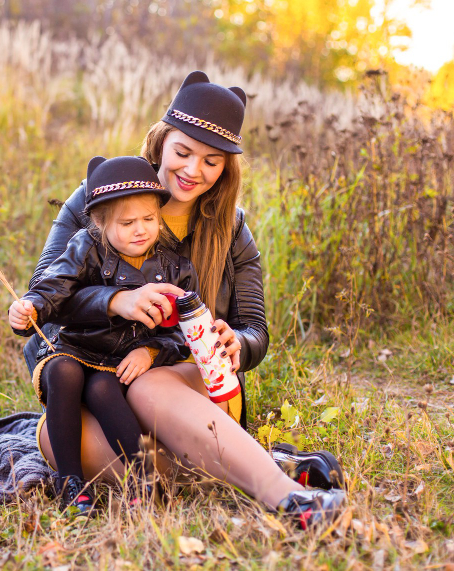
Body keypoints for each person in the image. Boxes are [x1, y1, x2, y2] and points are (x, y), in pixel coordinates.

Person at [22, 71, 346, 527]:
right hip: (102, 385)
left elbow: (256, 330)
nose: (194, 170)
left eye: (212, 161)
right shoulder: (101, 197)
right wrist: (116, 302)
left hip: (182, 378)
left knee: (148, 385)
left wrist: (238, 341)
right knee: (63, 445)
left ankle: (289, 497)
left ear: (225, 168)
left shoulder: (231, 228)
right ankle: (266, 463)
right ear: (159, 142)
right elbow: (42, 301)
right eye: (183, 152)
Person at [9, 155, 196, 515]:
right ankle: (71, 484)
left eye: (149, 219)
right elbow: (55, 285)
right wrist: (30, 306)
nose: (140, 229)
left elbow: (185, 334)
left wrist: (152, 352)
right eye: (127, 223)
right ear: (100, 223)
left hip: (120, 361)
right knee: (64, 371)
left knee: (102, 388)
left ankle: (145, 479)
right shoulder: (86, 247)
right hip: (76, 347)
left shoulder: (176, 268)